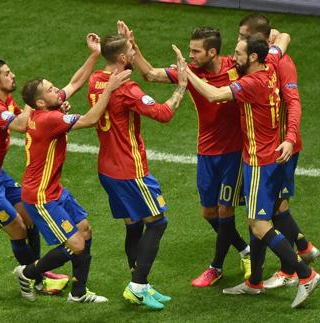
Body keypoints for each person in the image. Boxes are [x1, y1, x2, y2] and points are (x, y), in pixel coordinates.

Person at [175, 32, 320, 308]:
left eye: (239, 52)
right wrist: (279, 36)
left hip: (259, 162)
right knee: (260, 221)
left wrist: (186, 71)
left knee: (259, 224)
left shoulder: (252, 82)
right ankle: (255, 281)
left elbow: (214, 94)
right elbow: (283, 42)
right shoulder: (271, 65)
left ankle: (306, 274)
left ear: (253, 57)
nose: (234, 57)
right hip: (273, 157)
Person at [0, 34, 103, 296]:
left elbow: (72, 85)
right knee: (18, 227)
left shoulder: (6, 102)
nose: (12, 75)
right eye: (7, 73)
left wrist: (93, 55)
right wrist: (40, 105)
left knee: (30, 216)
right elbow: (23, 124)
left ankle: (37, 272)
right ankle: (31, 279)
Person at [117, 21, 251, 288]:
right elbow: (150, 75)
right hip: (207, 151)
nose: (191, 56)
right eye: (190, 50)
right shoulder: (188, 70)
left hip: (235, 152)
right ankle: (246, 251)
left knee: (226, 211)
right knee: (208, 212)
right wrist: (133, 46)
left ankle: (216, 267)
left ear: (212, 53)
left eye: (196, 51)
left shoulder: (235, 67)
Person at [13, 65, 132, 303]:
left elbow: (73, 84)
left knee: (85, 231)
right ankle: (27, 273)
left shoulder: (42, 114)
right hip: (41, 197)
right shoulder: (49, 119)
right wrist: (109, 88)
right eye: (50, 89)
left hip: (54, 190)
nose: (56, 89)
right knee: (76, 244)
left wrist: (94, 54)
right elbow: (91, 119)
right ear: (40, 103)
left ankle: (78, 293)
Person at [86, 33, 188, 309]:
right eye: (131, 50)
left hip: (107, 168)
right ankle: (138, 285)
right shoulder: (127, 91)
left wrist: (129, 41)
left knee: (134, 226)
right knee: (157, 222)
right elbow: (164, 114)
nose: (135, 54)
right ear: (121, 58)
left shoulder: (97, 80)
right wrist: (182, 85)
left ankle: (140, 284)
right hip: (130, 171)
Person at [238, 13, 320, 289]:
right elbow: (284, 36)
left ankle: (293, 268)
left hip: (280, 149)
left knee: (271, 210)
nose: (239, 42)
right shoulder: (263, 61)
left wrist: (289, 137)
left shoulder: (281, 65)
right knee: (267, 209)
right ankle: (301, 250)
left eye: (243, 36)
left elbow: (294, 103)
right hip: (268, 147)